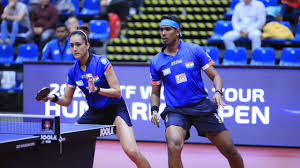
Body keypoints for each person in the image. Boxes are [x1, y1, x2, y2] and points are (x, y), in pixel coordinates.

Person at [39, 25, 151, 168]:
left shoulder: (102, 63)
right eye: (72, 45)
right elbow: (66, 101)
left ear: (87, 45)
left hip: (115, 110)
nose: (74, 49)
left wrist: (97, 89)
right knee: (67, 140)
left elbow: (117, 91)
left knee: (132, 151)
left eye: (78, 45)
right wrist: (52, 98)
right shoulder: (73, 71)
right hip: (94, 112)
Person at [150, 15, 244, 168]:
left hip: (201, 106)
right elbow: (155, 92)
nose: (163, 33)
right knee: (173, 145)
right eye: (161, 30)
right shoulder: (157, 61)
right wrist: (154, 110)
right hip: (176, 110)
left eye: (167, 29)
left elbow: (215, 76)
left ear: (178, 31)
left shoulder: (194, 50)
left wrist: (218, 92)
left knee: (229, 149)